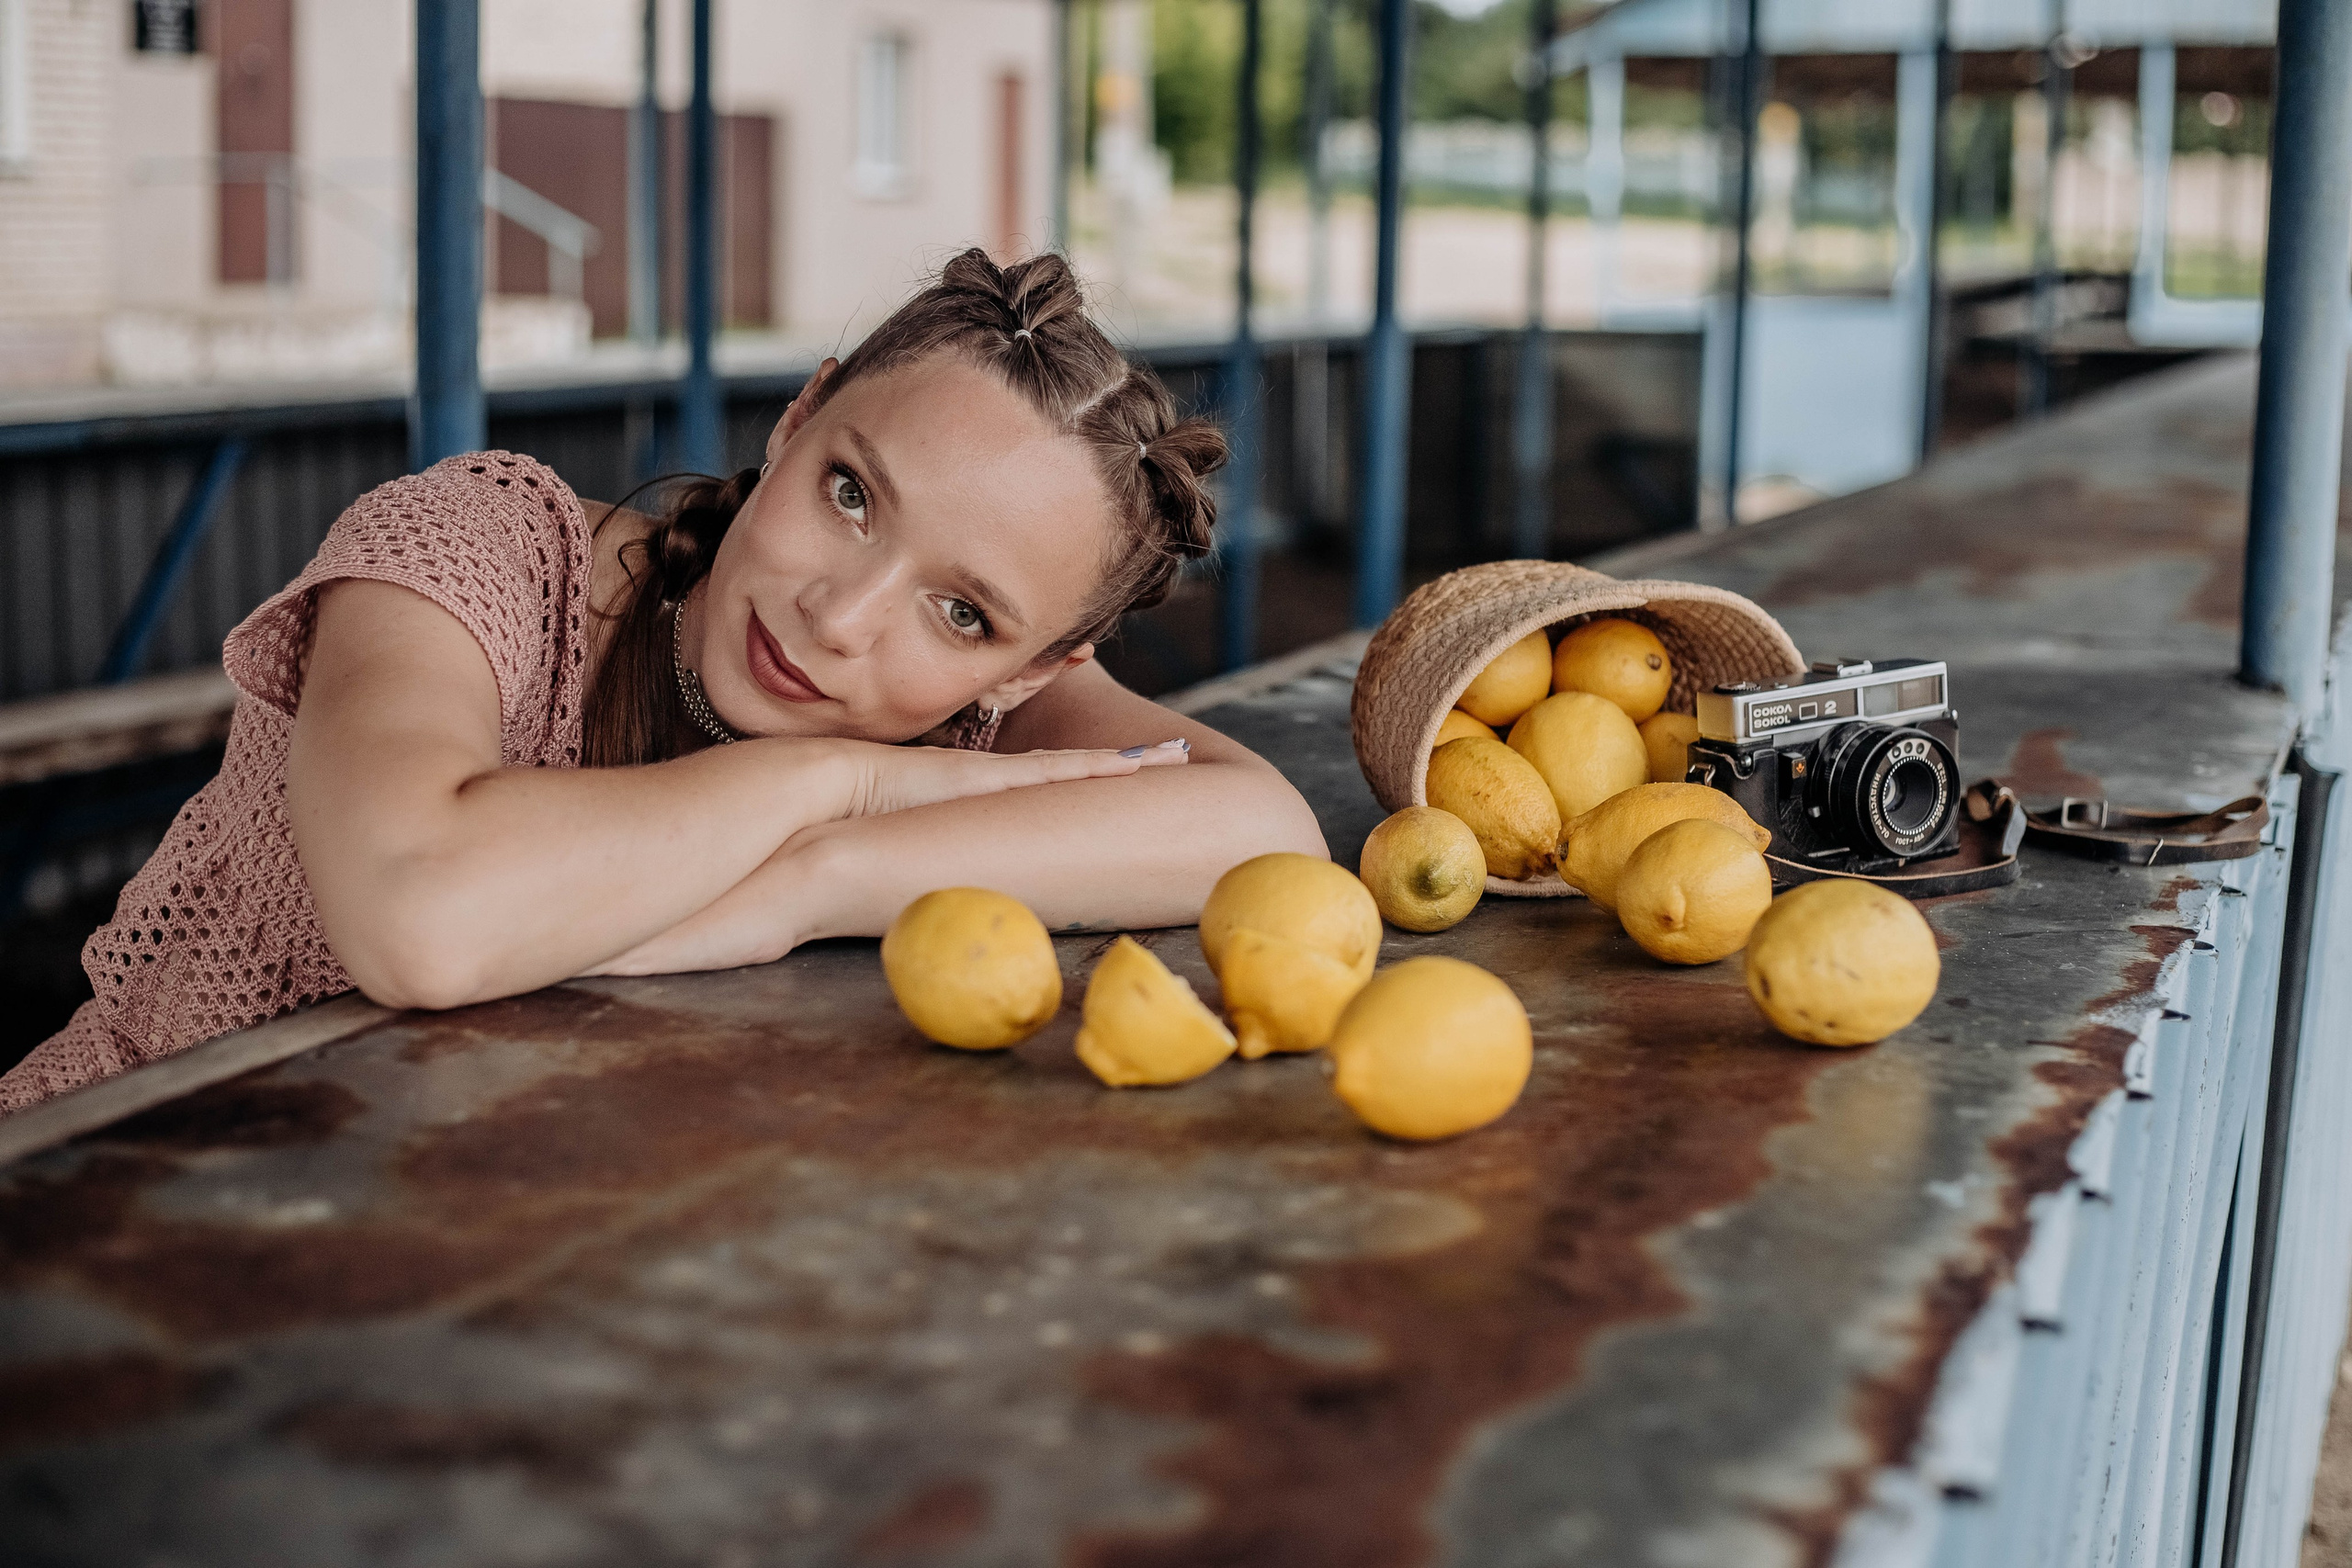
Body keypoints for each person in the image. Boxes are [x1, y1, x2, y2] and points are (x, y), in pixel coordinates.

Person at [0, 250, 1327, 1114]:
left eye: (962, 611)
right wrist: (840, 780)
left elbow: (1258, 831)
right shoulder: (476, 550)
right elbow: (422, 915)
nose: (839, 617)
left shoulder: (973, 708)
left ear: (1047, 664)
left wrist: (816, 880)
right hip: (112, 1199)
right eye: (851, 494)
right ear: (798, 418)